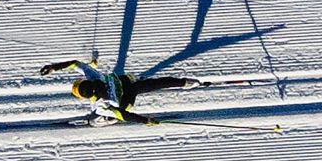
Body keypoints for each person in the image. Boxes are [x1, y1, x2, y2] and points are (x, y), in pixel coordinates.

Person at [39, 57, 203, 125]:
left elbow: (124, 116)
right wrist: (54, 67)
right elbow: (75, 63)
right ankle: (187, 82)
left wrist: (145, 121)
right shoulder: (95, 76)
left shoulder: (98, 105)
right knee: (157, 83)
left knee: (103, 116)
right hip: (128, 82)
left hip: (127, 101)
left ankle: (103, 121)